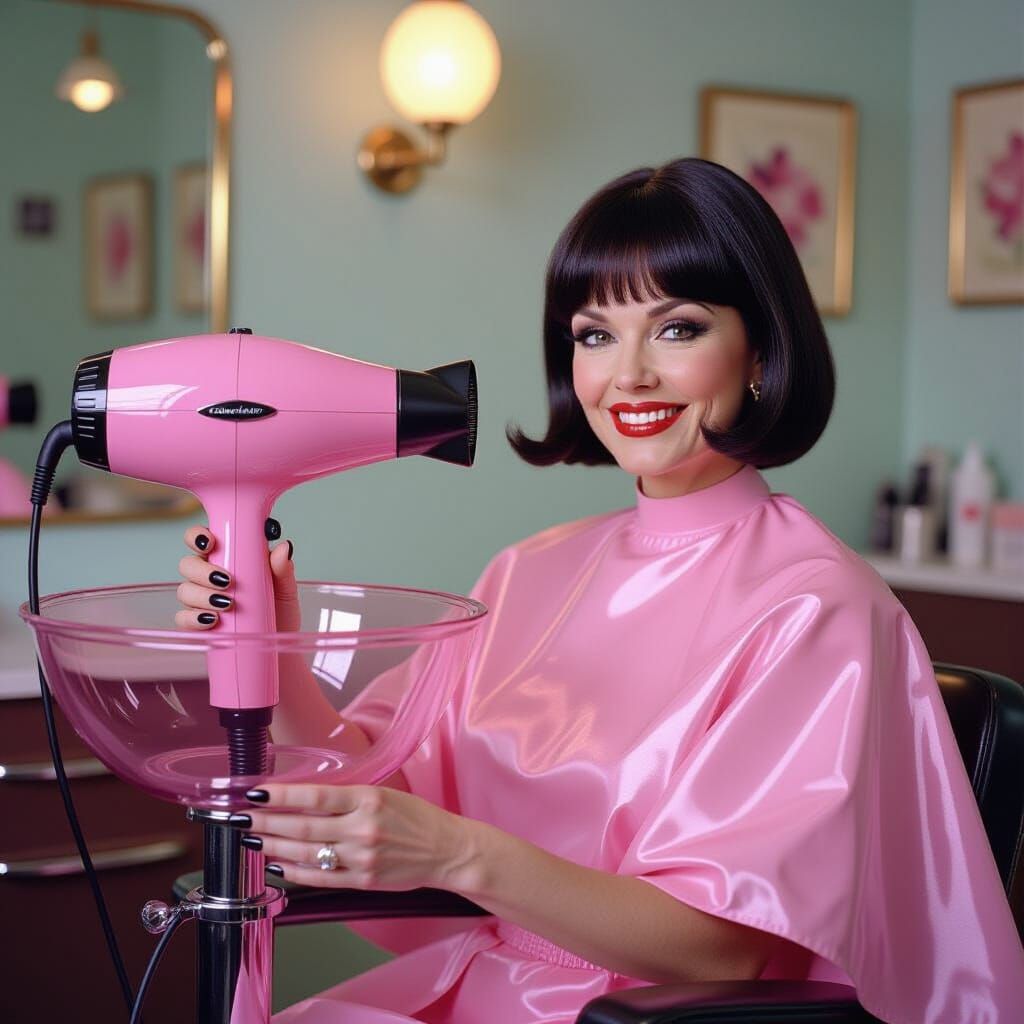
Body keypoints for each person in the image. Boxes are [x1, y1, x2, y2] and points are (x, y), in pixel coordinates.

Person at [175, 158, 1024, 1023]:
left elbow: (721, 949)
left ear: (762, 351)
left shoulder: (817, 606)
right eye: (595, 335)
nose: (630, 376)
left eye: (677, 329)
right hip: (479, 987)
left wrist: (460, 855)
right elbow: (378, 786)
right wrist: (273, 649)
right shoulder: (528, 570)